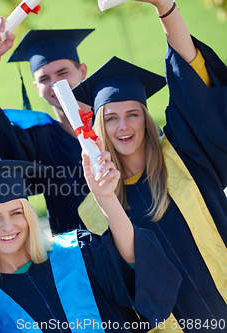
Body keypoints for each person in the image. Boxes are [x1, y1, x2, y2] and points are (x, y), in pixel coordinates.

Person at [73, 0, 227, 330]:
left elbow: (194, 88)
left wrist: (165, 6)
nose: (123, 127)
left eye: (133, 114)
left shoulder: (185, 156)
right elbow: (122, 290)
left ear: (146, 117)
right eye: (111, 118)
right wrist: (107, 200)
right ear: (99, 128)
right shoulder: (94, 210)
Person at [0, 157, 181, 332]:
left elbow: (136, 266)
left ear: (28, 216)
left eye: (16, 212)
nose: (8, 227)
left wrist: (107, 200)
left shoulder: (78, 252)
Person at [0, 20, 94, 233]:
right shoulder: (41, 138)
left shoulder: (115, 123)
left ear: (82, 71)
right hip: (79, 254)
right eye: (45, 78)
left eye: (63, 73)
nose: (55, 84)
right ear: (36, 87)